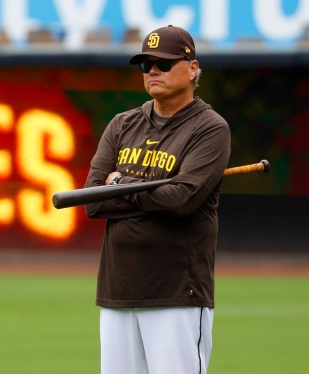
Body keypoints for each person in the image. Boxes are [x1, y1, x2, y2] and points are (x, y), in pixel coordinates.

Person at [84, 25, 231, 374]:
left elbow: (182, 199)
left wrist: (121, 182)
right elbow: (94, 200)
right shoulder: (122, 124)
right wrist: (150, 190)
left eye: (163, 64)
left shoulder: (209, 128)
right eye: (146, 64)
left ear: (192, 68)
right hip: (118, 291)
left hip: (177, 293)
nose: (152, 71)